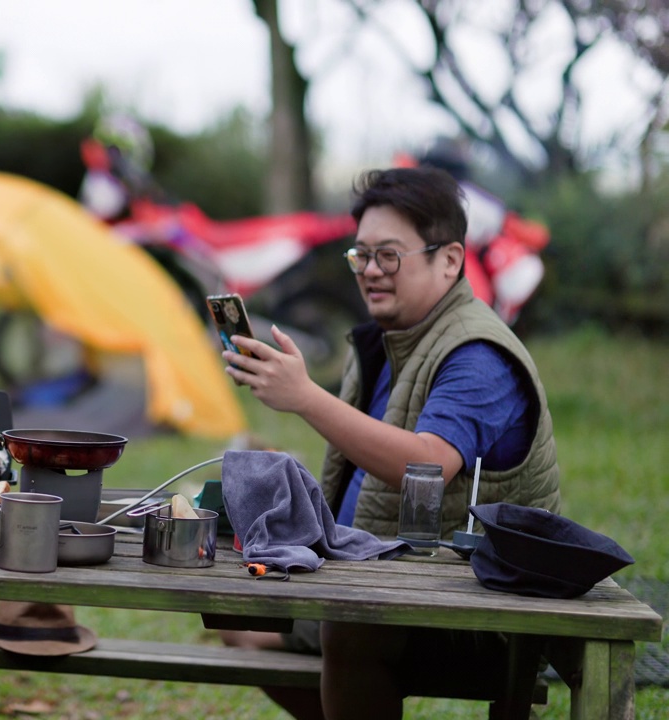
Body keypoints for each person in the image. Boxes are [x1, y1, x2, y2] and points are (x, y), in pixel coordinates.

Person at [219, 166, 560, 720]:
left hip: (481, 605)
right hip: (376, 577)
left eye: (389, 255)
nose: (371, 271)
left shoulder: (479, 354)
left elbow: (426, 464)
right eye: (361, 255)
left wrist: (305, 396)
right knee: (237, 617)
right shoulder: (386, 341)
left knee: (351, 632)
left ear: (449, 260)